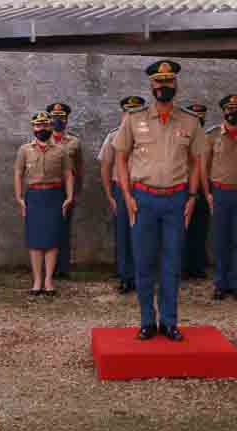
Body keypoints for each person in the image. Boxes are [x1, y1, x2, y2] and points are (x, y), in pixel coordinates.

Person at [112, 60, 204, 341]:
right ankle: (146, 321)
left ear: (176, 84)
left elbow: (197, 160)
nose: (164, 86)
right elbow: (120, 157)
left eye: (168, 81)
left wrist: (192, 196)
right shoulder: (133, 119)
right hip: (144, 200)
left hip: (176, 200)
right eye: (158, 82)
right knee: (143, 262)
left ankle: (169, 322)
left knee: (172, 263)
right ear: (151, 85)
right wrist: (127, 195)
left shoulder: (190, 121)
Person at [204, 94, 237, 301]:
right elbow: (204, 167)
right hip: (220, 194)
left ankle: (235, 284)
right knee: (220, 241)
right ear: (223, 111)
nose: (232, 112)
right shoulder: (212, 135)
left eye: (236, 109)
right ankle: (220, 283)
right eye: (229, 109)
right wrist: (208, 193)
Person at [14, 112, 74, 296]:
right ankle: (37, 280)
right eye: (38, 126)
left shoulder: (61, 150)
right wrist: (19, 197)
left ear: (50, 126)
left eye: (45, 125)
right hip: (34, 196)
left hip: (54, 195)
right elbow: (18, 173)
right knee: (35, 240)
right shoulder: (24, 150)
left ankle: (48, 280)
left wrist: (69, 197)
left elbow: (68, 174)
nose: (42, 129)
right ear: (33, 128)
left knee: (52, 239)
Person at [99, 96, 146, 294]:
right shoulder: (114, 137)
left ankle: (143, 277)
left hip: (144, 188)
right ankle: (126, 277)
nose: (131, 116)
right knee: (124, 233)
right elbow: (105, 166)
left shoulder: (148, 136)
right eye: (128, 112)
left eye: (136, 111)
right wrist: (110, 195)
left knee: (145, 233)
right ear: (123, 114)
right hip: (121, 188)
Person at [47, 103, 83, 279]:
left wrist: (76, 190)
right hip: (48, 188)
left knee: (64, 227)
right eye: (54, 117)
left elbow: (79, 167)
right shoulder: (43, 140)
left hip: (66, 189)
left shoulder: (74, 142)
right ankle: (49, 267)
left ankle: (63, 267)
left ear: (67, 119)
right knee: (48, 227)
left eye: (61, 117)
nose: (58, 120)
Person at [182, 103, 211, 280]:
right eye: (196, 117)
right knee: (181, 228)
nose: (199, 120)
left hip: (203, 187)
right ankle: (182, 266)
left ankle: (197, 266)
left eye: (202, 117)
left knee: (200, 229)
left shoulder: (208, 139)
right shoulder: (182, 137)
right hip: (184, 187)